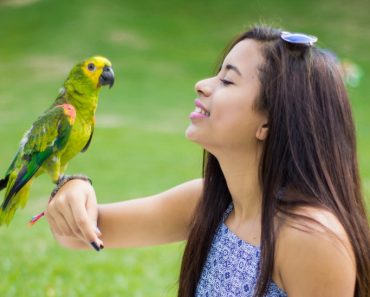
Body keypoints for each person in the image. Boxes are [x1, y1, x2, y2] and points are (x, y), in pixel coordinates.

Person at [45, 25, 370, 297]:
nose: (202, 85)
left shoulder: (311, 237)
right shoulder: (212, 204)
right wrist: (74, 186)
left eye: (227, 81)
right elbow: (74, 235)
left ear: (268, 123)